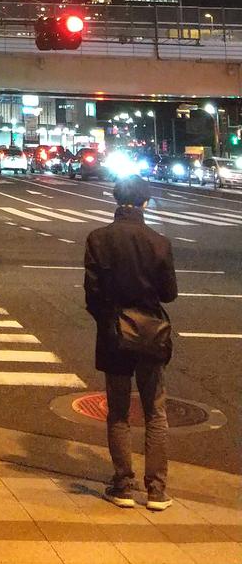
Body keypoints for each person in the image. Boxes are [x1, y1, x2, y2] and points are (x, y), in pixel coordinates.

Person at [84, 174, 178, 511]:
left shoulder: (98, 239)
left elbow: (92, 294)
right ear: (145, 202)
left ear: (115, 199)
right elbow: (169, 293)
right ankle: (157, 490)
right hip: (152, 332)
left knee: (119, 411)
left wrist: (110, 320)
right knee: (155, 411)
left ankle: (122, 484)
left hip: (113, 332)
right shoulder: (159, 242)